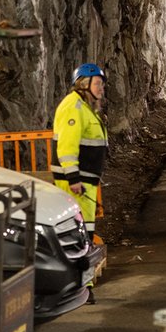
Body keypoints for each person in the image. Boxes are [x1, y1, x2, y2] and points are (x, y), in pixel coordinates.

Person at [51, 62, 108, 304]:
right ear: (84, 84)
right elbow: (67, 147)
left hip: (85, 182)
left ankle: (84, 286)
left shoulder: (85, 107)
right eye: (97, 84)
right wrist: (73, 178)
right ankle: (78, 288)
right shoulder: (73, 107)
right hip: (76, 183)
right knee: (78, 235)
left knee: (85, 234)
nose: (102, 89)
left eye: (102, 84)